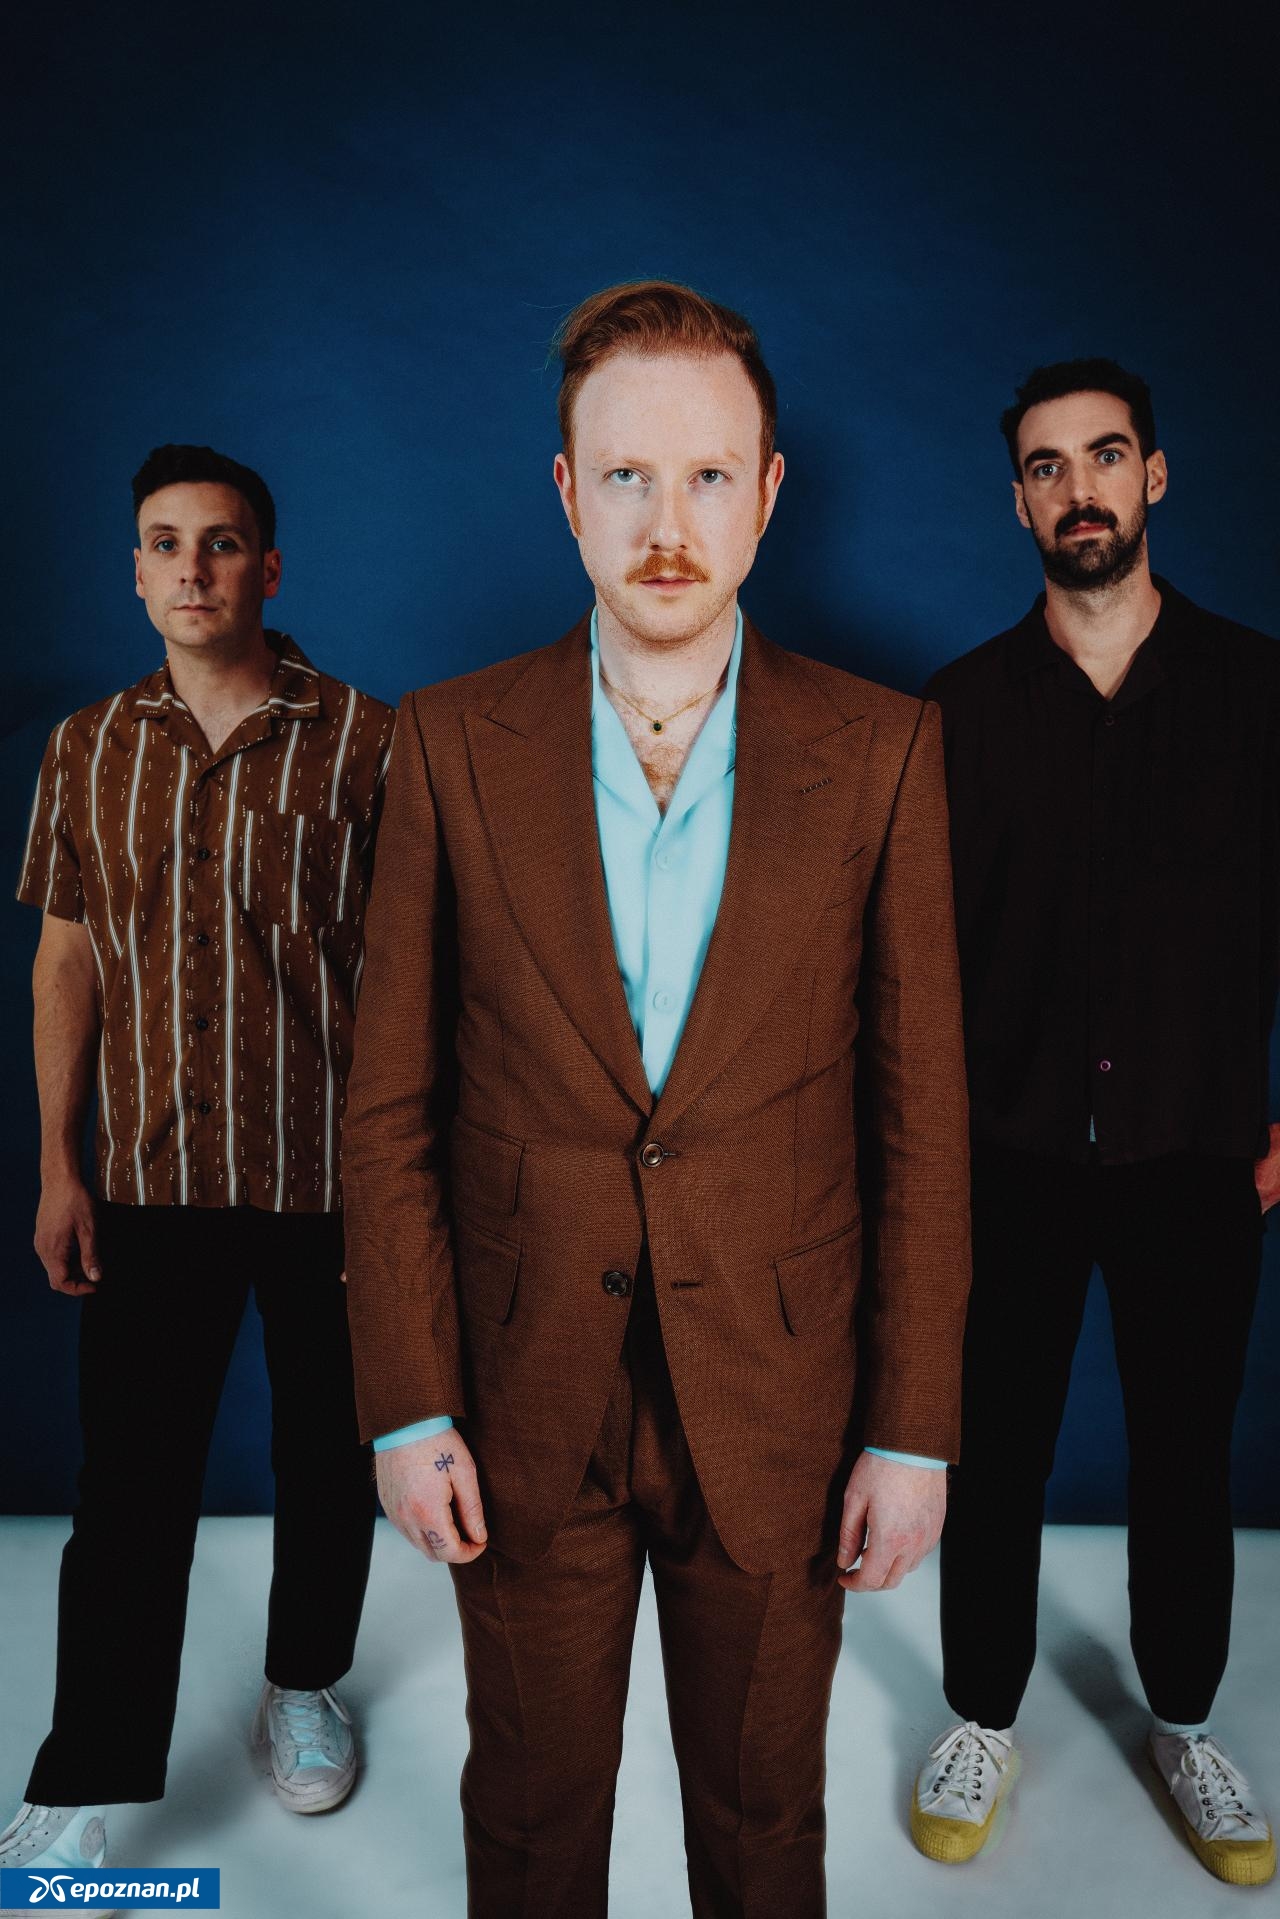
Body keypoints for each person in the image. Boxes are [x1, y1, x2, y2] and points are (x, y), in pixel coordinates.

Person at [341, 280, 972, 1918]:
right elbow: (390, 1107)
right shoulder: (447, 745)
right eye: (626, 476)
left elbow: (921, 1127)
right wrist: (406, 1404)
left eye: (707, 477)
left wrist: (912, 1430)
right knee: (529, 1826)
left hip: (779, 1397)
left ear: (769, 493)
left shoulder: (887, 753)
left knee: (764, 1834)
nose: (667, 524)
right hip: (519, 1392)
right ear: (567, 491)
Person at [1, 446, 393, 1897]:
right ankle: (86, 1783)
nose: (191, 568)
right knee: (129, 1490)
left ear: (267, 568)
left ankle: (304, 1683)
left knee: (328, 1457)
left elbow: (414, 979)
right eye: (163, 543)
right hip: (150, 1179)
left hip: (327, 1179)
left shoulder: (368, 743)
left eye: (220, 543)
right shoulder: (85, 748)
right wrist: (59, 1163)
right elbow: (65, 959)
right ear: (134, 569)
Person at [913, 360, 1278, 1887]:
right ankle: (980, 1718)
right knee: (994, 1454)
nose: (1080, 490)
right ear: (1018, 501)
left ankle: (1184, 1721)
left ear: (1155, 476)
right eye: (1048, 466)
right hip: (1007, 1161)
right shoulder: (955, 711)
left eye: (1105, 457)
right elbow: (914, 963)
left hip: (1197, 1152)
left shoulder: (1259, 693)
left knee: (1186, 1458)